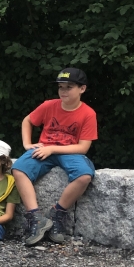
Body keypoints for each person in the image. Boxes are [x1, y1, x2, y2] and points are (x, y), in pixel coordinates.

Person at [12, 67, 97, 246]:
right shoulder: (49, 105)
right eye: (60, 87)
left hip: (69, 151)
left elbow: (83, 147)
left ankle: (57, 213)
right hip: (44, 149)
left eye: (69, 87)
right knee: (18, 169)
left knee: (84, 176)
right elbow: (28, 120)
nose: (63, 91)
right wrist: (27, 144)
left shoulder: (88, 113)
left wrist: (52, 149)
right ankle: (35, 218)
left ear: (82, 89)